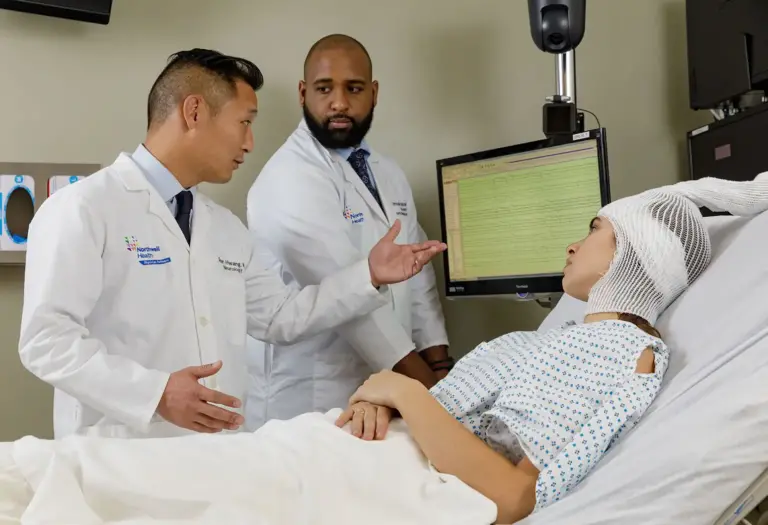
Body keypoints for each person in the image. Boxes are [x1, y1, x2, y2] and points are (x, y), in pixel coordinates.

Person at [17, 48, 446, 440]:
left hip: (220, 459)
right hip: (118, 458)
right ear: (195, 111)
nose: (250, 142)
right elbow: (45, 341)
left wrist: (368, 275)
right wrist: (155, 393)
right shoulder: (83, 208)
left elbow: (281, 317)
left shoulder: (223, 228)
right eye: (245, 122)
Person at [336, 174, 768, 523]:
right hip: (364, 455)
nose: (573, 245)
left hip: (376, 486)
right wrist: (386, 408)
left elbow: (510, 497)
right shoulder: (566, 341)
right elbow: (444, 417)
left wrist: (402, 392)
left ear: (637, 253)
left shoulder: (615, 347)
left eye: (595, 229)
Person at [244, 34, 450, 429]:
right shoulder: (289, 177)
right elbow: (353, 308)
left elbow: (419, 272)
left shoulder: (388, 173)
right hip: (310, 399)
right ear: (304, 93)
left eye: (353, 88)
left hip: (387, 393)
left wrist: (441, 364)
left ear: (373, 94)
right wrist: (433, 397)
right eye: (324, 89)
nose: (339, 102)